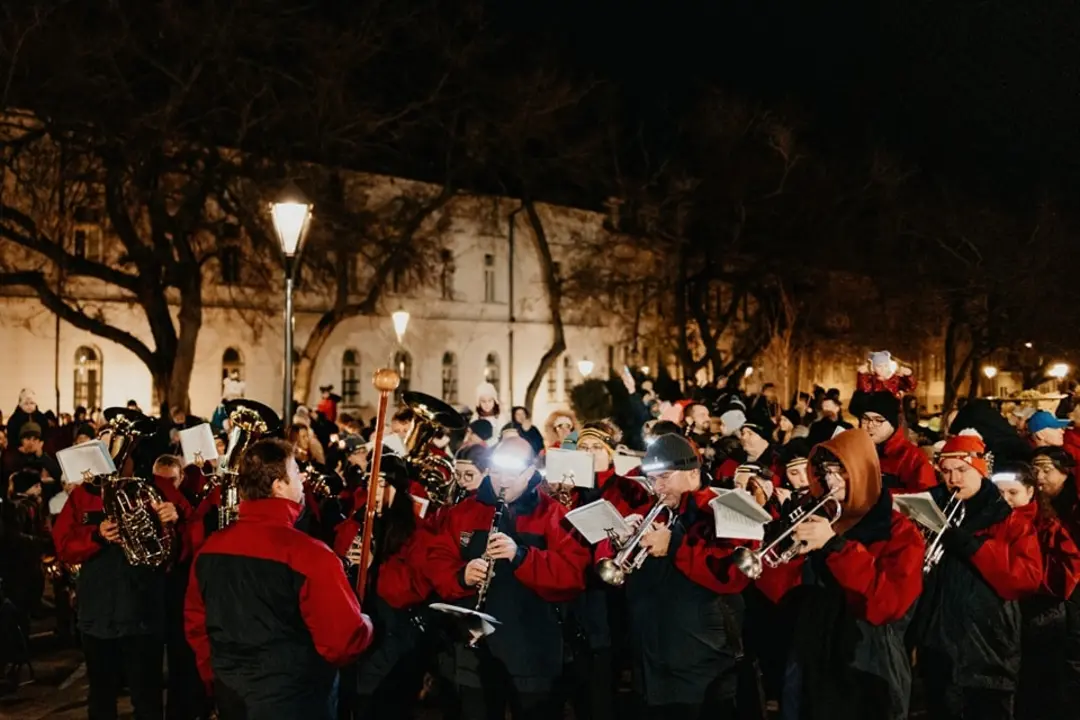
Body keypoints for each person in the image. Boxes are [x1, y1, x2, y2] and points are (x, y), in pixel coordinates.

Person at [184, 438, 373, 719]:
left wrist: (216, 674)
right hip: (296, 701)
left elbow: (196, 624)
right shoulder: (309, 555)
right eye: (295, 471)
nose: (302, 478)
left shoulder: (210, 549)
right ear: (278, 485)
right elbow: (342, 642)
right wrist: (366, 624)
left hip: (231, 694)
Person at [756, 429, 925, 720]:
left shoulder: (899, 531)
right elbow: (782, 595)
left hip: (867, 661)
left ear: (861, 471)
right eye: (825, 472)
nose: (831, 481)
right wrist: (777, 548)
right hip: (810, 654)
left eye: (840, 472)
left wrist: (835, 546)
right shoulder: (820, 516)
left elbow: (886, 604)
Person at [426, 437, 590, 720]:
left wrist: (522, 556)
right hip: (475, 652)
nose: (502, 480)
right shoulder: (464, 512)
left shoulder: (552, 514)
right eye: (497, 470)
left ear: (529, 473)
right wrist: (461, 576)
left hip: (532, 652)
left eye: (512, 473)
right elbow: (436, 561)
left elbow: (573, 574)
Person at [596, 434, 749, 719]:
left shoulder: (727, 507)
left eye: (665, 477)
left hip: (703, 663)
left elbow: (732, 576)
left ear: (693, 472)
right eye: (652, 479)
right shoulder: (659, 512)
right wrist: (622, 543)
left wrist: (674, 546)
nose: (657, 487)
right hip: (653, 660)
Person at [908, 431, 1042, 720]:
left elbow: (1027, 578)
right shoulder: (934, 509)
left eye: (962, 470)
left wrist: (973, 547)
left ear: (980, 470)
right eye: (946, 471)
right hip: (939, 646)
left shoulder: (1010, 519)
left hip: (989, 648)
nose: (954, 479)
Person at [52, 458, 181, 719]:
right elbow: (63, 546)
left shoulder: (150, 491)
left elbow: (174, 553)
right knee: (101, 696)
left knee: (147, 697)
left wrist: (172, 520)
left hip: (142, 610)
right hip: (99, 613)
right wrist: (96, 536)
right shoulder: (81, 496)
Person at [993, 459, 1080, 719]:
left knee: (1039, 685)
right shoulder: (989, 522)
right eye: (999, 493)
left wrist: (1027, 580)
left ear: (1030, 492)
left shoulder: (1047, 526)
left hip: (1040, 614)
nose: (1006, 499)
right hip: (1004, 614)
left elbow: (1066, 571)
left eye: (1013, 493)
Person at [856, 391, 936, 494]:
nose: (870, 425)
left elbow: (922, 501)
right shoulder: (856, 452)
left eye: (878, 420)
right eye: (865, 419)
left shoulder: (913, 458)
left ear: (893, 424)